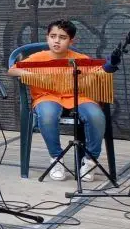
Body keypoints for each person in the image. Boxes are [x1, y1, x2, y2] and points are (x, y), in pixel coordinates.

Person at [8, 20, 106, 182]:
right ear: (47, 38)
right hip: (47, 96)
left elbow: (97, 74)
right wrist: (32, 75)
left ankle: (90, 161)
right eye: (53, 36)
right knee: (47, 115)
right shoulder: (38, 57)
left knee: (96, 115)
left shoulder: (80, 58)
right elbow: (12, 71)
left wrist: (95, 76)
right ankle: (56, 159)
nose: (57, 41)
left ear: (71, 41)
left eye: (62, 37)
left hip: (77, 97)